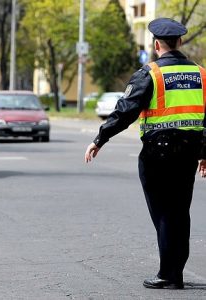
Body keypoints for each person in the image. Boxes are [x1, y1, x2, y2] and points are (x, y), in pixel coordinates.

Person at [84, 17, 206, 290]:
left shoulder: (149, 74)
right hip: (187, 155)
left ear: (156, 45)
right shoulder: (202, 74)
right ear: (181, 42)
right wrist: (204, 153)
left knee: (164, 214)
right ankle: (176, 272)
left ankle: (168, 274)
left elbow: (124, 112)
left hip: (157, 155)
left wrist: (100, 138)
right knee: (180, 212)